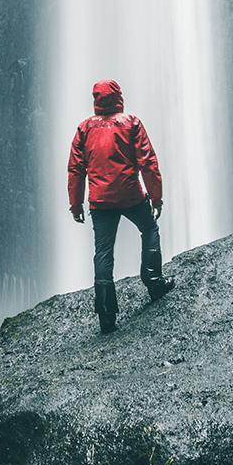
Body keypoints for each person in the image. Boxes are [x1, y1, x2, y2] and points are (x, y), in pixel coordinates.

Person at [67, 79, 173, 333]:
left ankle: (106, 314)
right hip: (131, 195)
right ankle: (154, 282)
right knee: (149, 229)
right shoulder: (131, 123)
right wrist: (156, 199)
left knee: (103, 252)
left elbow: (75, 170)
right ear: (118, 97)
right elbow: (148, 161)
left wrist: (76, 205)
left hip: (100, 201)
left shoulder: (84, 128)